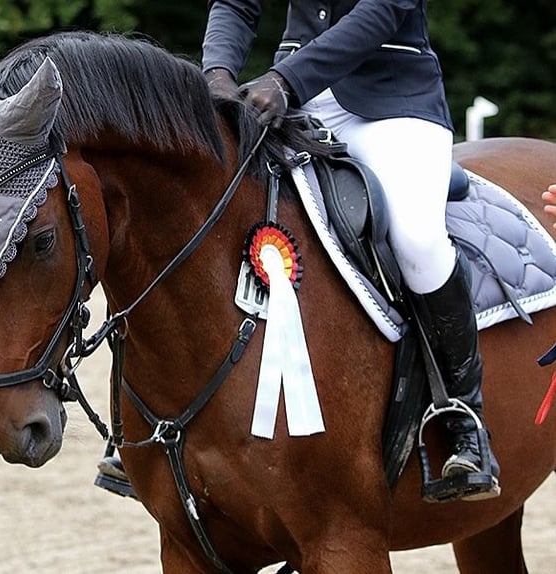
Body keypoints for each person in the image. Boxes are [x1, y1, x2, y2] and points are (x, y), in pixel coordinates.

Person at [202, 0, 500, 501]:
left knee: (416, 239)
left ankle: (463, 417)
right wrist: (217, 75)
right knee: (206, 203)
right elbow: (237, 3)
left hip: (391, 99)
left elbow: (381, 10)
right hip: (292, 96)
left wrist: (286, 81)